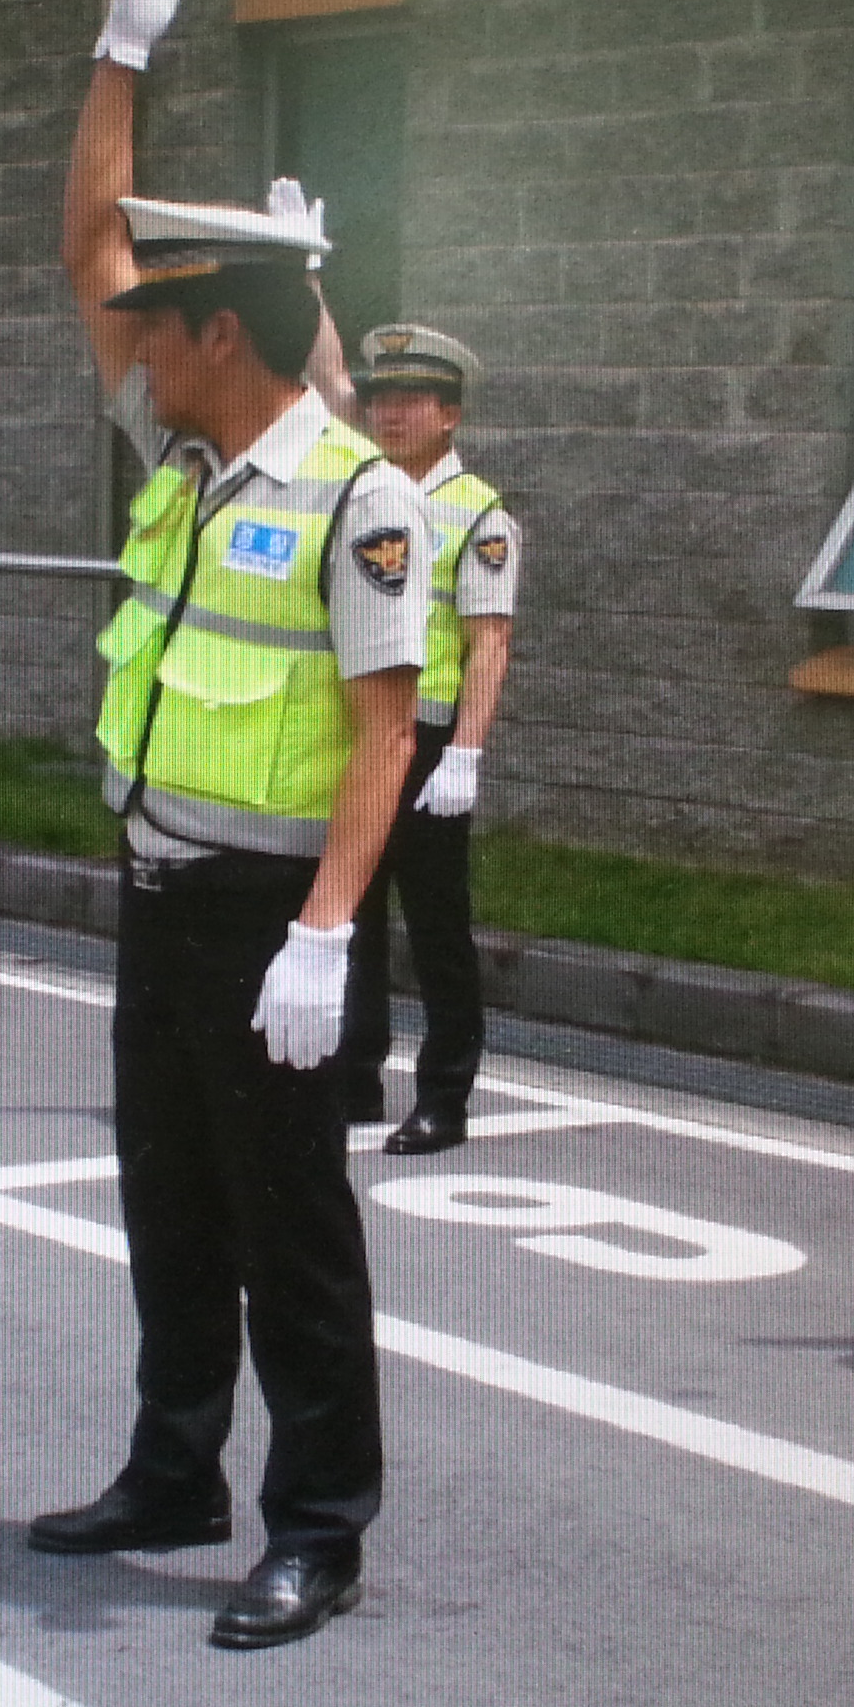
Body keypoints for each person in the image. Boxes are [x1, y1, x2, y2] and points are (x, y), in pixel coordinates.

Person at [32, 0, 428, 1650]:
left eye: (166, 320)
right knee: (170, 1206)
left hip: (279, 913)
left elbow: (381, 730)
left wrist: (328, 932)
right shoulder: (188, 463)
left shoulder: (358, 497)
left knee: (294, 1237)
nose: (137, 339)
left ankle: (315, 1523)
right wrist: (117, 56)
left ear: (228, 337)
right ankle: (171, 1465)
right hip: (161, 888)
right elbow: (86, 257)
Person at [317, 323, 516, 1149]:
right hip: (361, 735)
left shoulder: (479, 514)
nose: (390, 415)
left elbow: (489, 640)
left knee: (436, 926)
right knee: (351, 911)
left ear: (450, 415)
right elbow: (326, 386)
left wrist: (466, 750)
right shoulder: (362, 490)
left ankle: (444, 1094)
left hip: (430, 742)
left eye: (411, 402)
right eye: (382, 400)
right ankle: (356, 1076)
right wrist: (312, 290)